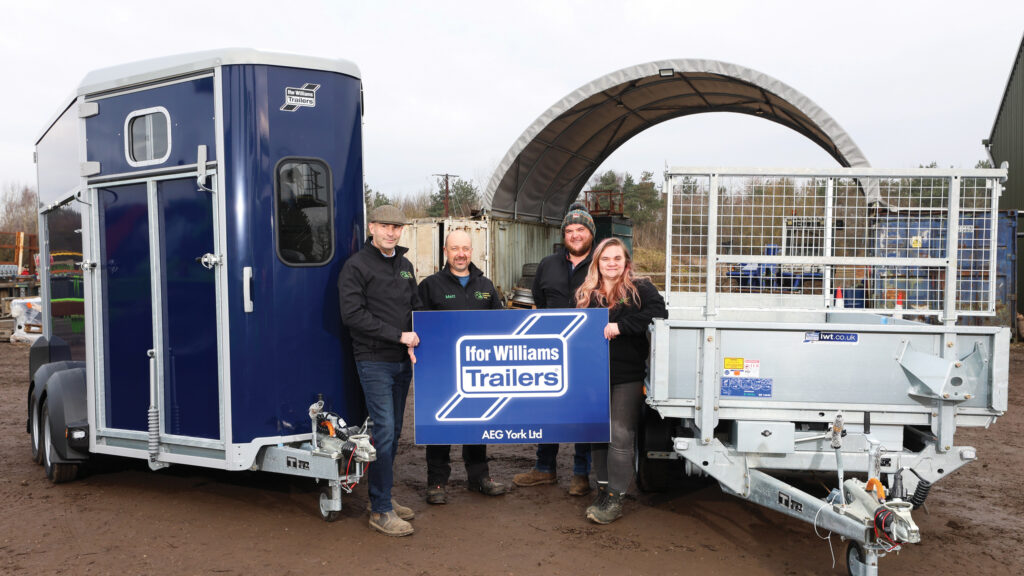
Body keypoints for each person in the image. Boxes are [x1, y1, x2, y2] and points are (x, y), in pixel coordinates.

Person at [338, 205, 421, 537]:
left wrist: (416, 337)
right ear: (371, 227)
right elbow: (353, 315)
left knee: (393, 431)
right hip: (374, 360)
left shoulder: (405, 266)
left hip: (403, 361)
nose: (392, 232)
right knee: (384, 431)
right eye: (385, 226)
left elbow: (414, 306)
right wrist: (398, 335)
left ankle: (382, 496)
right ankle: (381, 511)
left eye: (397, 227)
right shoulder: (357, 266)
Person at [576, 238, 666, 524]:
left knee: (620, 433)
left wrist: (621, 326)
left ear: (626, 262)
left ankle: (616, 499)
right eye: (606, 259)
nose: (611, 263)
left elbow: (659, 314)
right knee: (598, 434)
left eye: (617, 258)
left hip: (626, 375)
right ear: (597, 263)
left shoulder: (641, 289)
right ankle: (603, 491)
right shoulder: (586, 293)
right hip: (593, 375)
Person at [418, 229, 508, 504]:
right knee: (440, 425)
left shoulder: (486, 286)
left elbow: (502, 325)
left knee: (476, 425)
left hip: (477, 372)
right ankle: (436, 482)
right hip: (440, 371)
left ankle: (479, 477)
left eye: (465, 249)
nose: (461, 254)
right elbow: (417, 325)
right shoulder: (430, 286)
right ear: (446, 252)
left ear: (472, 251)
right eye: (455, 248)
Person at [512, 201, 596, 497]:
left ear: (590, 233)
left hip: (589, 353)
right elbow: (538, 303)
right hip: (552, 353)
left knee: (584, 412)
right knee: (549, 409)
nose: (575, 235)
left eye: (581, 229)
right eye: (570, 230)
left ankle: (581, 473)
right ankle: (544, 468)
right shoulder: (547, 265)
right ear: (564, 234)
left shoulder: (602, 264)